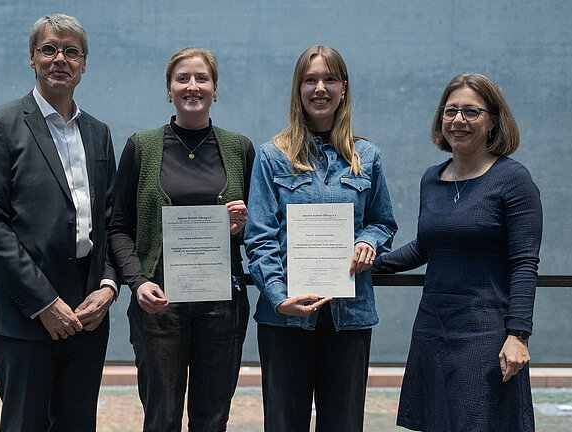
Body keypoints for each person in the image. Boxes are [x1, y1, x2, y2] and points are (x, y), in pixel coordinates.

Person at [0, 14, 119, 432]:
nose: (60, 59)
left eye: (71, 51)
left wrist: (107, 288)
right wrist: (44, 303)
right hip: (25, 312)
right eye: (49, 49)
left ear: (84, 64)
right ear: (32, 58)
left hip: (88, 312)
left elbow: (110, 222)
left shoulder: (99, 133)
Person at [374, 73, 543, 431]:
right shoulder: (431, 179)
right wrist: (369, 264)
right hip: (433, 327)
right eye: (451, 111)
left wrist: (519, 334)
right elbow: (426, 245)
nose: (458, 121)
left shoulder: (513, 179)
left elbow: (525, 262)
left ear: (493, 120)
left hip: (486, 332)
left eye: (471, 112)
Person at [244, 45, 397, 432]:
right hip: (285, 319)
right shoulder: (271, 156)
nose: (320, 88)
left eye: (329, 79)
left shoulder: (367, 156)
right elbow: (259, 237)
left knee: (344, 424)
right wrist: (279, 299)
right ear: (298, 89)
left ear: (343, 88)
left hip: (350, 317)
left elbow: (383, 222)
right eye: (310, 79)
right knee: (283, 424)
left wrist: (369, 241)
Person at [108, 47, 255, 432]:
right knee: (161, 417)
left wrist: (241, 226)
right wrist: (137, 283)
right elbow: (118, 227)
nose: (193, 86)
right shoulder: (141, 147)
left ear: (216, 89)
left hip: (222, 306)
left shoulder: (240, 149)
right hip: (159, 303)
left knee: (212, 418)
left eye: (202, 79)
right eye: (182, 79)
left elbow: (261, 231)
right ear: (169, 89)